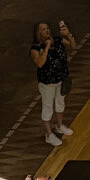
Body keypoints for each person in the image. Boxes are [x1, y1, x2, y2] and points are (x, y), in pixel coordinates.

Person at [33, 18, 77, 146]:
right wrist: (46, 47)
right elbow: (40, 63)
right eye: (43, 30)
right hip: (47, 83)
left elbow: (73, 47)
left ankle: (59, 125)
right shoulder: (36, 48)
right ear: (38, 33)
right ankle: (48, 134)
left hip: (61, 79)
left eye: (47, 28)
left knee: (60, 103)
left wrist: (68, 34)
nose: (47, 31)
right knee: (47, 107)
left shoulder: (57, 40)